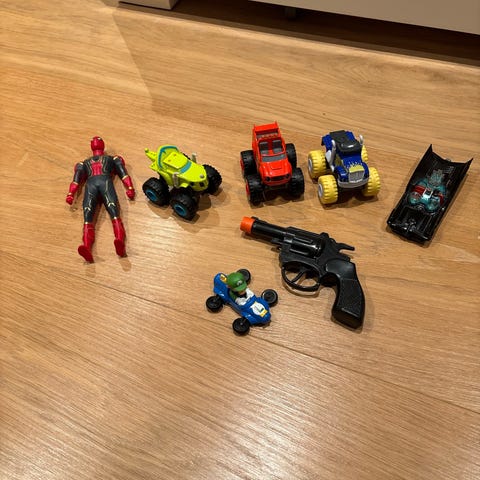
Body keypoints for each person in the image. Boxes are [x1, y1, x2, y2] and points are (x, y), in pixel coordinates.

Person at [66, 136, 135, 262]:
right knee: (113, 212)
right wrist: (129, 188)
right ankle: (116, 240)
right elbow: (123, 173)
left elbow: (76, 181)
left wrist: (70, 194)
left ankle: (89, 245)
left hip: (91, 185)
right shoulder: (112, 159)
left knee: (88, 215)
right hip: (105, 183)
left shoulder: (84, 163)